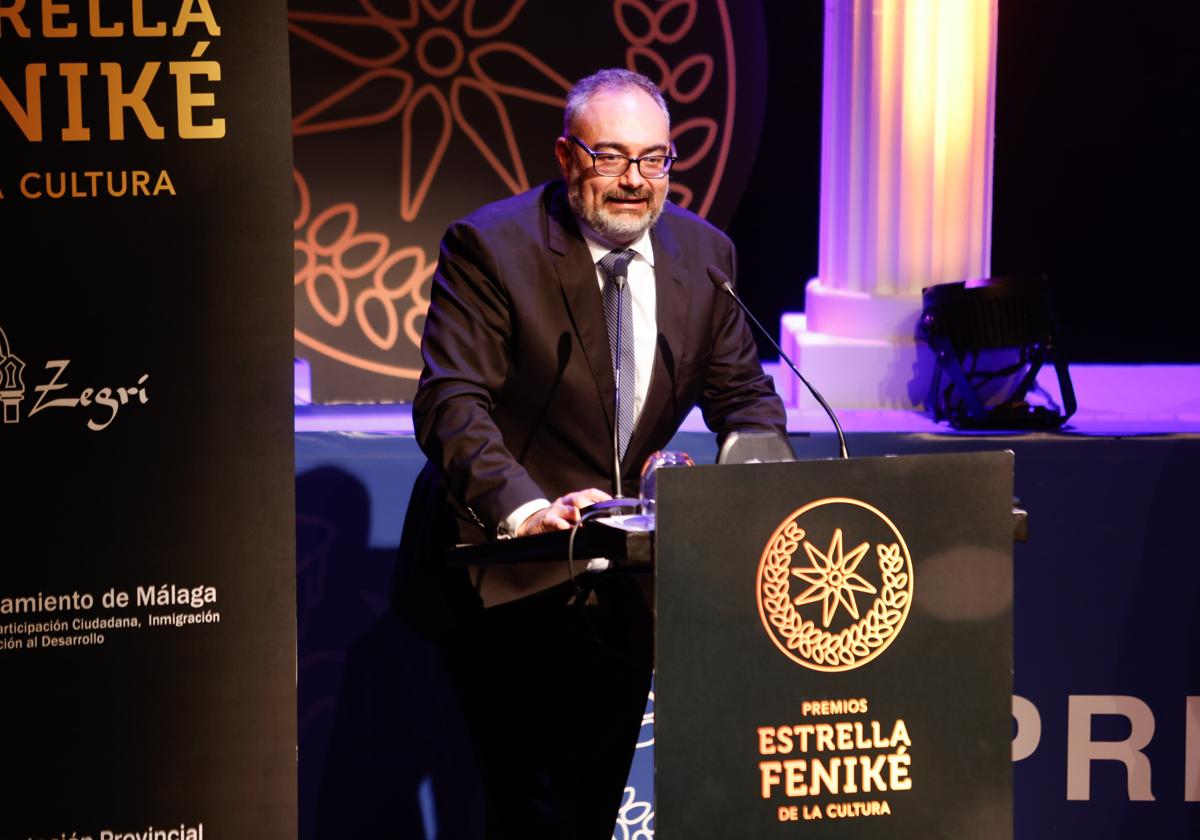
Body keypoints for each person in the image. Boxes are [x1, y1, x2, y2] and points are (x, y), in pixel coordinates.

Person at [395, 68, 787, 839]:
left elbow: (745, 399)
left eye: (654, 159)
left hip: (629, 579)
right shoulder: (492, 247)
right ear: (567, 156)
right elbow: (452, 403)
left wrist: (753, 484)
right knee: (533, 807)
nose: (635, 181)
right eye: (610, 157)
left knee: (591, 807)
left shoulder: (706, 257)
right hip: (510, 569)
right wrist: (531, 509)